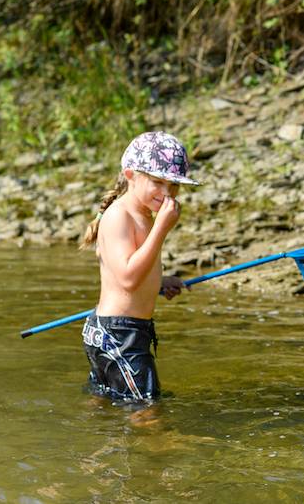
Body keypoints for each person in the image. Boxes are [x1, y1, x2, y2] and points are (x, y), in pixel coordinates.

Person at [79, 131, 200, 403]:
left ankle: (98, 443)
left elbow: (134, 270)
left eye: (174, 186)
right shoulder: (119, 215)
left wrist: (159, 281)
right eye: (157, 182)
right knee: (146, 410)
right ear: (131, 175)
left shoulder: (141, 213)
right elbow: (128, 279)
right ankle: (161, 446)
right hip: (120, 335)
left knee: (110, 404)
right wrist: (161, 229)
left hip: (120, 331)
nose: (167, 193)